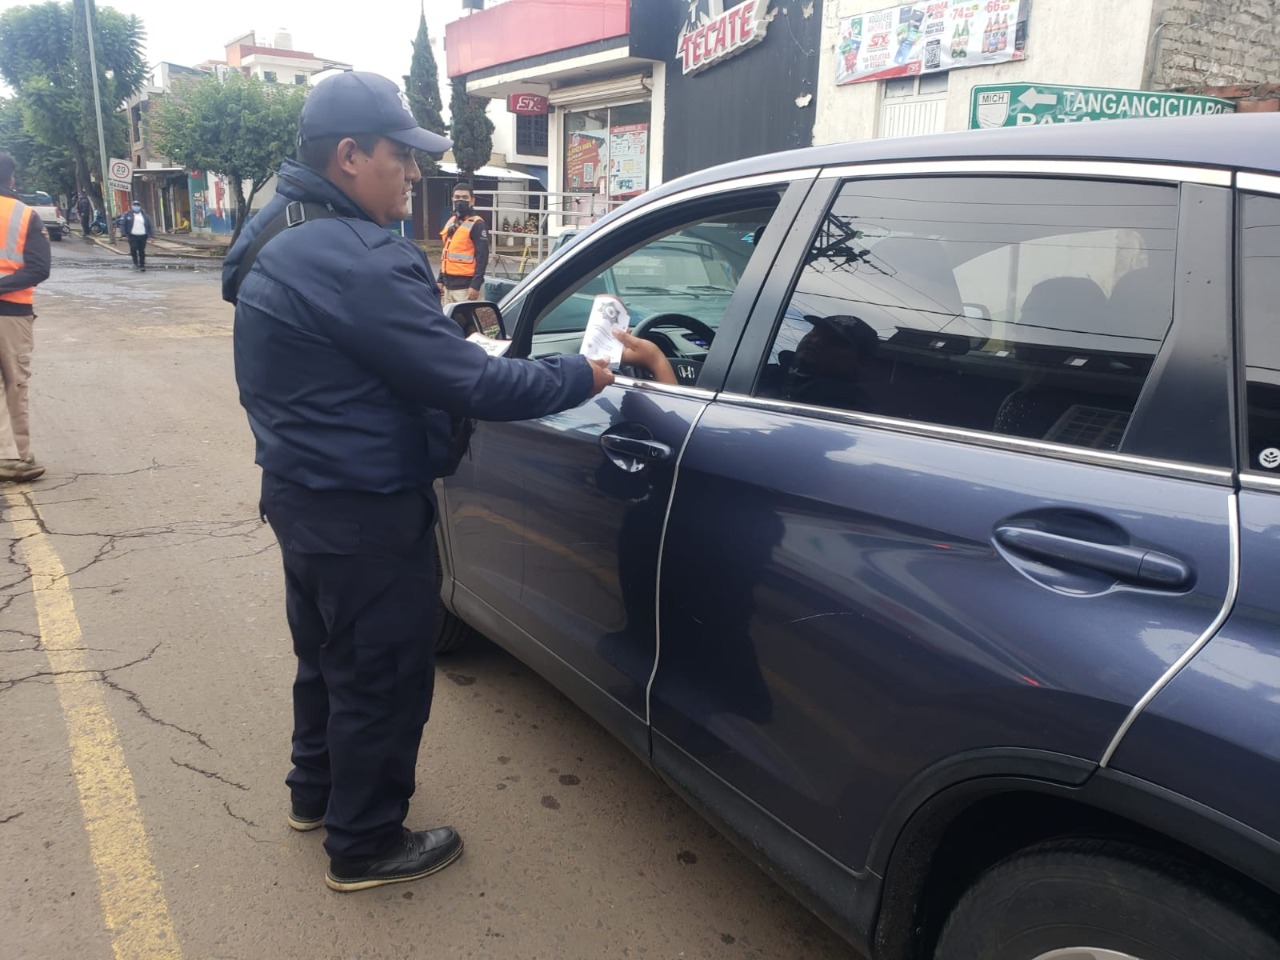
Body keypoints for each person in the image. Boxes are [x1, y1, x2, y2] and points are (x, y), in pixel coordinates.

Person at [221, 70, 657, 894]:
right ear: (351, 156)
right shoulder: (358, 260)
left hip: (302, 493)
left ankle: (313, 797)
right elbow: (480, 387)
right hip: (364, 512)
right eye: (403, 157)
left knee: (327, 659)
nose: (417, 175)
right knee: (380, 675)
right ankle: (365, 843)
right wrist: (589, 372)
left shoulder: (281, 227)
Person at [0, 154, 51, 483]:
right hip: (11, 315)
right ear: (12, 179)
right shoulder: (22, 214)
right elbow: (38, 268)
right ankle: (14, 458)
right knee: (15, 384)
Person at [786, 313, 880, 412]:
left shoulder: (849, 404)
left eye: (833, 341)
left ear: (860, 362)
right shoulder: (772, 372)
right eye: (814, 332)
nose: (815, 341)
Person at [438, 182, 488, 304]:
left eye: (465, 197)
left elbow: (483, 257)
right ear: (452, 199)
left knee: (467, 323)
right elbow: (446, 252)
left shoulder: (477, 224)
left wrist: (475, 285)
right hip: (448, 286)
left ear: (472, 201)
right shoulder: (451, 222)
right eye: (457, 197)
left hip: (466, 287)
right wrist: (440, 280)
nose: (460, 200)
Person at [120, 201, 153, 271]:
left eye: (138, 205)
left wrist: (151, 236)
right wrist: (124, 235)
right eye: (135, 205)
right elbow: (123, 225)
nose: (136, 207)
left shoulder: (144, 215)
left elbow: (149, 225)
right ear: (132, 206)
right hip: (132, 236)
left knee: (142, 250)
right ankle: (135, 263)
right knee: (133, 249)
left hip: (143, 235)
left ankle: (142, 264)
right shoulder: (127, 215)